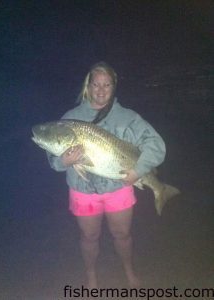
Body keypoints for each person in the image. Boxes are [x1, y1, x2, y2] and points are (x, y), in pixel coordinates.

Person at [47, 62, 166, 288]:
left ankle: (129, 271)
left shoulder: (128, 118)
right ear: (88, 86)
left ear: (114, 87)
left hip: (119, 188)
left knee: (122, 235)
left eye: (107, 85)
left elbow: (157, 145)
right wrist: (64, 161)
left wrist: (138, 172)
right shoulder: (70, 118)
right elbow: (52, 158)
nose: (101, 90)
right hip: (83, 191)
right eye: (96, 84)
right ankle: (91, 276)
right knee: (89, 238)